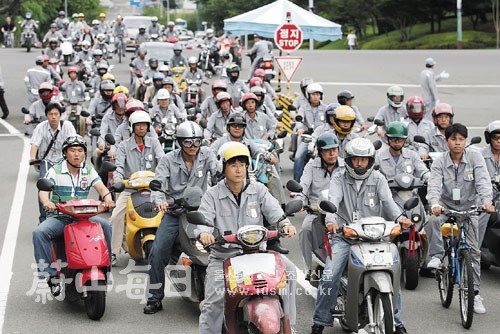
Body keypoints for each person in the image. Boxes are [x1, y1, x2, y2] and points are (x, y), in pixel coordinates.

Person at [310, 137, 411, 334]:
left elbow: (389, 203)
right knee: (330, 276)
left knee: (394, 274)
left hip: (376, 237)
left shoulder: (378, 178)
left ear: (370, 161)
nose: (359, 164)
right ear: (348, 160)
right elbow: (333, 200)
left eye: (363, 160)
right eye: (356, 159)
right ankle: (320, 321)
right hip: (345, 236)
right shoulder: (339, 177)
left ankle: (396, 322)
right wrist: (331, 221)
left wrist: (401, 218)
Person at [195, 142, 297, 333]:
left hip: (258, 253)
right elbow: (204, 219)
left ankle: (289, 324)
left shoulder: (258, 189)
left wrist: (285, 224)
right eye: (233, 165)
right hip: (225, 258)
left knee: (289, 272)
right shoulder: (212, 195)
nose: (238, 169)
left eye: (242, 164)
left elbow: (274, 211)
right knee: (213, 303)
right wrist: (204, 232)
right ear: (222, 167)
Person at [144, 121, 217, 314]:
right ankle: (154, 297)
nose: (193, 147)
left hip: (202, 211)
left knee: (223, 245)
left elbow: (218, 174)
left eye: (196, 142)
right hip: (174, 212)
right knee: (157, 251)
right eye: (188, 143)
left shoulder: (207, 155)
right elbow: (158, 182)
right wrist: (160, 200)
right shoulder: (168, 160)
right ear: (179, 142)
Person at [426, 123, 495, 314]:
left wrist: (486, 202)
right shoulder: (440, 161)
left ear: (465, 140)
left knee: (474, 252)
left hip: (469, 209)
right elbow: (434, 186)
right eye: (453, 139)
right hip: (445, 208)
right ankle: (437, 256)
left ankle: (475, 293)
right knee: (431, 221)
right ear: (446, 141)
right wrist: (434, 204)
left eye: (461, 139)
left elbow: (483, 181)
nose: (457, 143)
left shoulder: (475, 156)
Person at [32, 134, 114, 296]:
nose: (76, 154)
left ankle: (106, 267)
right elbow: (43, 191)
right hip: (60, 217)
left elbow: (102, 188)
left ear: (84, 153)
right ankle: (50, 275)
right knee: (40, 233)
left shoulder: (88, 169)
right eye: (72, 150)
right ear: (65, 153)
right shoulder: (55, 170)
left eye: (80, 150)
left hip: (84, 216)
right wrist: (47, 202)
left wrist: (109, 199)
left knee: (106, 225)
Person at [110, 110, 164, 263]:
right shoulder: (123, 146)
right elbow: (118, 167)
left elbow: (162, 161)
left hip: (152, 189)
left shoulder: (154, 143)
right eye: (138, 125)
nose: (142, 128)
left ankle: (169, 251)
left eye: (144, 125)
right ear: (132, 127)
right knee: (115, 217)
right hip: (130, 190)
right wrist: (118, 179)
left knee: (169, 214)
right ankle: (113, 253)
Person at [297, 133, 345, 280]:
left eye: (334, 150)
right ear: (320, 152)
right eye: (327, 150)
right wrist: (300, 200)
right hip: (316, 212)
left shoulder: (345, 165)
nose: (332, 154)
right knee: (305, 229)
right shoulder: (311, 165)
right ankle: (309, 267)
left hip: (340, 212)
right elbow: (303, 185)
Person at [29, 103, 77, 222]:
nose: (54, 117)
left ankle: (70, 214)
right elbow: (35, 144)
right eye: (51, 114)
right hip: (47, 161)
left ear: (60, 115)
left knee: (71, 185)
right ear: (47, 116)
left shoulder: (68, 126)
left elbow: (74, 143)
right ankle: (43, 218)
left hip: (64, 161)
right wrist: (32, 157)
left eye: (56, 114)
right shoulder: (41, 127)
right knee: (43, 186)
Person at [293, 83, 326, 182]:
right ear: (308, 95)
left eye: (318, 94)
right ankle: (297, 183)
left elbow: (330, 120)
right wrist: (299, 128)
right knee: (298, 157)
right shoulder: (303, 107)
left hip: (322, 138)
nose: (316, 97)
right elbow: (299, 119)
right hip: (307, 138)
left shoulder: (325, 108)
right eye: (313, 94)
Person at [478, 121, 500, 249]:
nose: (498, 141)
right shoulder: (479, 155)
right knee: (482, 216)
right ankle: (475, 249)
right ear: (489, 139)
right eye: (495, 138)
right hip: (484, 196)